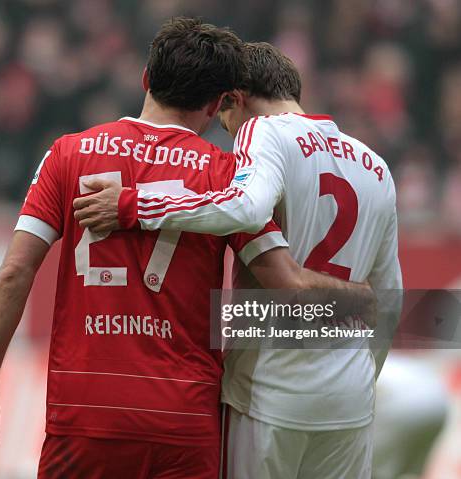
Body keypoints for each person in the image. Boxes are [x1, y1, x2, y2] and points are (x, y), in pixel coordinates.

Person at [0, 20, 370, 478]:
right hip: (184, 421)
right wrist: (361, 297)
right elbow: (287, 284)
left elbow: (16, 272)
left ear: (146, 79)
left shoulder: (67, 154)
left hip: (84, 416)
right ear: (217, 103)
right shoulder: (227, 175)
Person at [74, 42, 403, 478]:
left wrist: (134, 207)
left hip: (269, 392)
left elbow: (245, 206)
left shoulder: (263, 132)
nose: (226, 131)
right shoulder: (376, 166)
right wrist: (361, 375)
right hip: (349, 398)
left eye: (224, 113)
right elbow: (390, 299)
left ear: (236, 97)